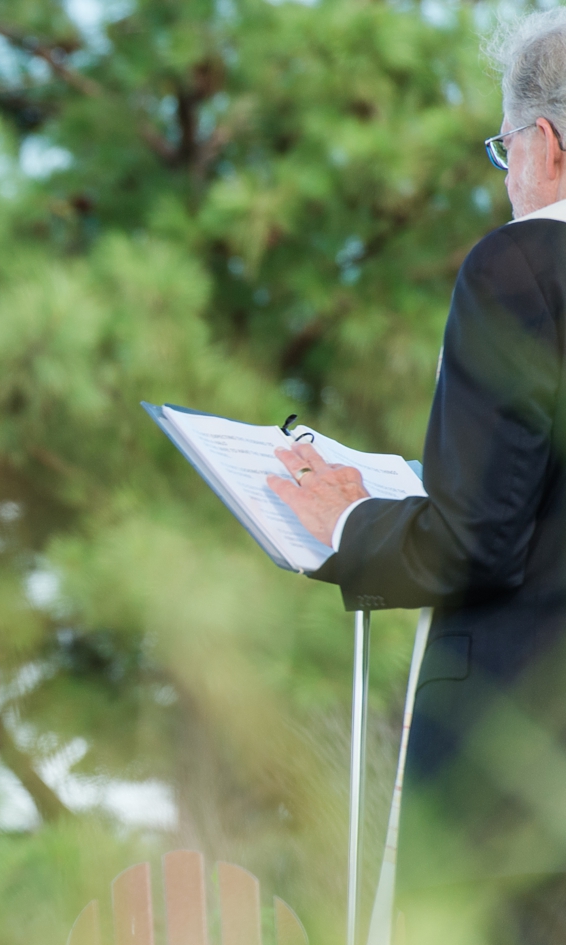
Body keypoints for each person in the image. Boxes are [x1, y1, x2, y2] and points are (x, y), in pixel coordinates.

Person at [268, 11, 566, 941]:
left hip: (518, 773)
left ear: (546, 142)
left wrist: (352, 519)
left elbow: (478, 540)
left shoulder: (523, 262)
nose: (507, 173)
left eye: (503, 148)